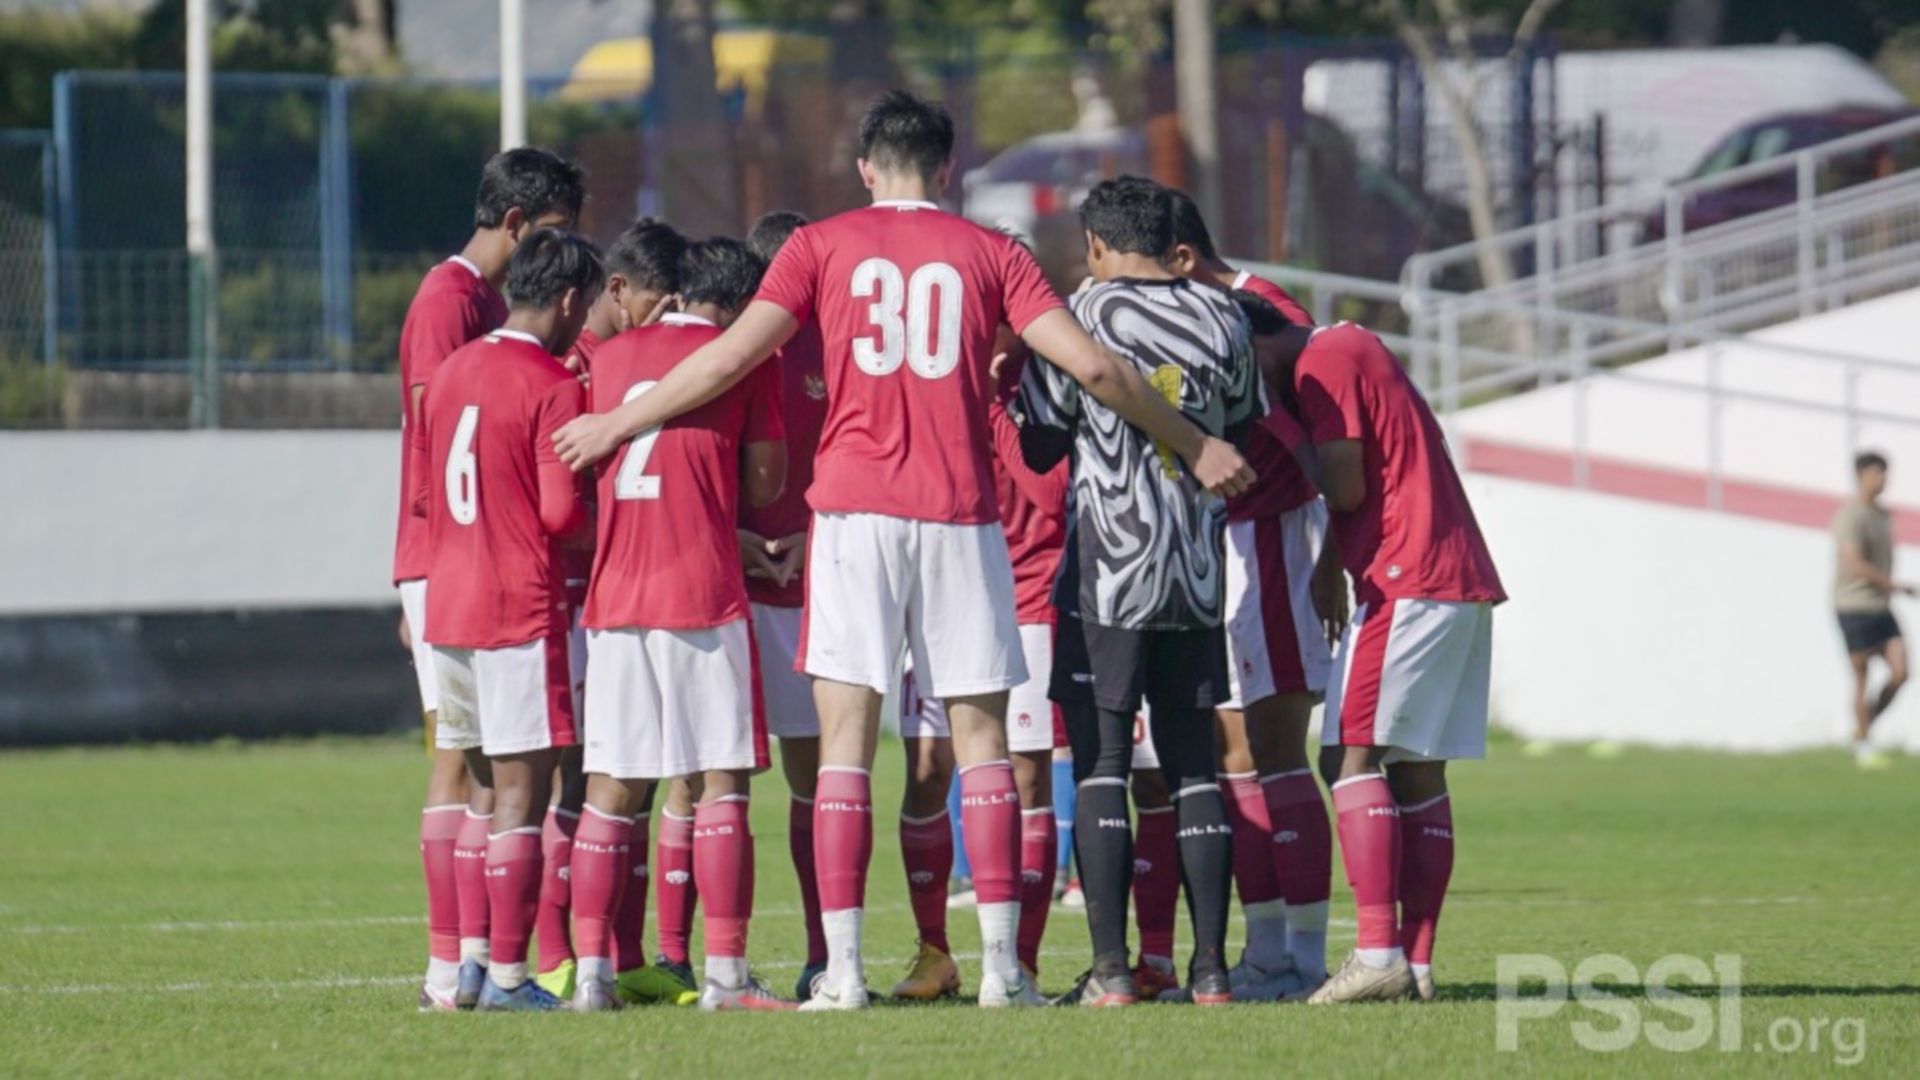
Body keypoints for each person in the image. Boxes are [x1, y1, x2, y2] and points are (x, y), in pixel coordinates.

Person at [550, 90, 1254, 1012]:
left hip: (853, 513)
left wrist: (617, 423)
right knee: (983, 740)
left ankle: (840, 973)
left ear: (865, 169)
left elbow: (728, 360)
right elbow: (1092, 367)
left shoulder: (818, 246)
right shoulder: (993, 252)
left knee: (847, 743)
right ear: (949, 169)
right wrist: (1196, 444)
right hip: (959, 513)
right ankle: (1004, 970)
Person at [1016, 176, 1264, 1008]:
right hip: (1195, 568)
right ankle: (1212, 972)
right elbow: (1238, 422)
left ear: (1093, 243)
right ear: (1172, 239)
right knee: (1197, 764)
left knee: (1104, 763)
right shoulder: (1223, 313)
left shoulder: (1079, 316)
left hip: (1108, 567)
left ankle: (1113, 973)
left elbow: (1045, 442)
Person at [565, 237, 792, 1012]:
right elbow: (766, 482)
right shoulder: (739, 356)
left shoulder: (611, 356)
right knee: (720, 782)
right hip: (699, 588)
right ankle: (726, 977)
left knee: (611, 790)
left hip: (616, 591)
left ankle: (592, 976)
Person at [1263, 313, 1505, 1005]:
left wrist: (1280, 430)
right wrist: (1331, 560)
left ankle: (1377, 954)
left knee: (1347, 758)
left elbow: (1345, 486)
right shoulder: (1354, 344)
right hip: (1453, 575)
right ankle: (1417, 966)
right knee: (1416, 767)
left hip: (1406, 575)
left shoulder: (1320, 362)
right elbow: (1376, 467)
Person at [399, 148, 584, 1012]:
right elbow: (553, 510)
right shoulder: (458, 312)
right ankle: (495, 971)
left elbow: (436, 461)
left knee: (472, 773)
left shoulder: (467, 355)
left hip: (453, 583)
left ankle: (466, 966)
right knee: (512, 783)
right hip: (500, 589)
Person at [1163, 194, 1339, 1002]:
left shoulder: (1267, 318)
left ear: (1183, 261)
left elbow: (1324, 450)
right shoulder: (1220, 315)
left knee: (1273, 752)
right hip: (1215, 548)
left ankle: (1302, 955)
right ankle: (1266, 952)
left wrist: (1330, 554)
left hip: (1268, 541)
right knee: (1234, 757)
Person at [892, 322, 1073, 1000]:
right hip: (934, 596)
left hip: (1025, 601)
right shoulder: (926, 375)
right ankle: (934, 953)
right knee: (926, 770)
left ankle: (1018, 961)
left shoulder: (1047, 384)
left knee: (1024, 779)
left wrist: (992, 405)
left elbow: (1052, 495)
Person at [734, 209, 835, 999]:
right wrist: (730, 535)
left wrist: (816, 535)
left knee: (815, 779)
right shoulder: (731, 352)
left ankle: (822, 951)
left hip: (812, 584)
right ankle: (696, 960)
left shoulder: (840, 347)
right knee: (710, 783)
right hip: (729, 587)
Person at [1833, 451, 1912, 770]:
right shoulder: (1850, 516)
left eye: (1885, 473)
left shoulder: (1883, 515)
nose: (1883, 479)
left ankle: (1863, 729)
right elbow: (1853, 563)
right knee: (1861, 675)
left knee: (1901, 672)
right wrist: (1893, 584)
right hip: (1853, 605)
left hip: (1880, 605)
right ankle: (1864, 747)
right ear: (1861, 475)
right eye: (1877, 473)